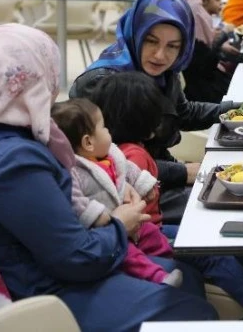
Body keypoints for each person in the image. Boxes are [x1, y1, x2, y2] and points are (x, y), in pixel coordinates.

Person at [0, 24, 217, 331]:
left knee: (186, 274)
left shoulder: (21, 134)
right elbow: (75, 257)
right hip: (48, 293)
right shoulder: (15, 161)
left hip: (56, 271)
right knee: (195, 313)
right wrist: (121, 224)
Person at [88, 71, 243, 320]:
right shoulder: (132, 156)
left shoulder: (126, 152)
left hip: (152, 231)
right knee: (211, 254)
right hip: (146, 242)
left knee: (221, 240)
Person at [69, 0, 243, 224]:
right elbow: (115, 163)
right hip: (123, 198)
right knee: (230, 204)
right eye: (151, 41)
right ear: (137, 33)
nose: (160, 55)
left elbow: (183, 113)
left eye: (173, 46)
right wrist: (184, 172)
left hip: (157, 175)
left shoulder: (164, 72)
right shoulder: (104, 83)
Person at [51, 99, 183, 288]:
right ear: (88, 142)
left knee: (152, 233)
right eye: (104, 128)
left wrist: (144, 184)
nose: (109, 133)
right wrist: (98, 217)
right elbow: (76, 200)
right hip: (108, 229)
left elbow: (128, 170)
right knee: (130, 256)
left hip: (132, 221)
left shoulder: (111, 154)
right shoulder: (75, 171)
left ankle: (168, 256)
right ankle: (158, 277)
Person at [163, 0, 237, 103]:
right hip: (200, 92)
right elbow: (204, 63)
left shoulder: (162, 2)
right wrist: (222, 36)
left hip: (179, 91)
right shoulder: (193, 9)